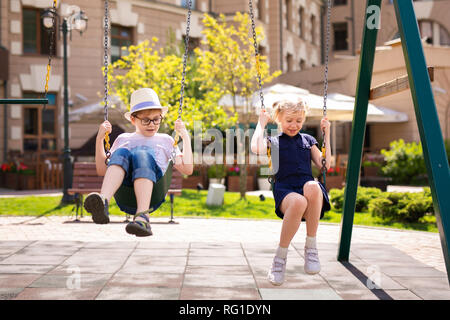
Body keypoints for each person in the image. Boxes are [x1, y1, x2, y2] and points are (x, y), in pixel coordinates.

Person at [84, 88, 193, 237]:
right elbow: (103, 171)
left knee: (141, 154)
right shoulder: (123, 139)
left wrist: (185, 136)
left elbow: (187, 169)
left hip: (154, 190)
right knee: (121, 153)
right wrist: (100, 139)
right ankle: (103, 202)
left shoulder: (166, 140)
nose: (152, 124)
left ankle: (143, 217)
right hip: (126, 192)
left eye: (157, 119)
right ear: (133, 119)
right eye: (146, 120)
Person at [251, 99, 331, 285]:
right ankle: (280, 259)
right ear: (278, 118)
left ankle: (311, 248)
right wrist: (261, 124)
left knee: (313, 185)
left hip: (307, 188)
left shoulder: (308, 140)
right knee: (298, 202)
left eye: (298, 120)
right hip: (285, 190)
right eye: (289, 120)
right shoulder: (274, 141)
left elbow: (324, 164)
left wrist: (327, 133)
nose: (294, 125)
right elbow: (256, 148)